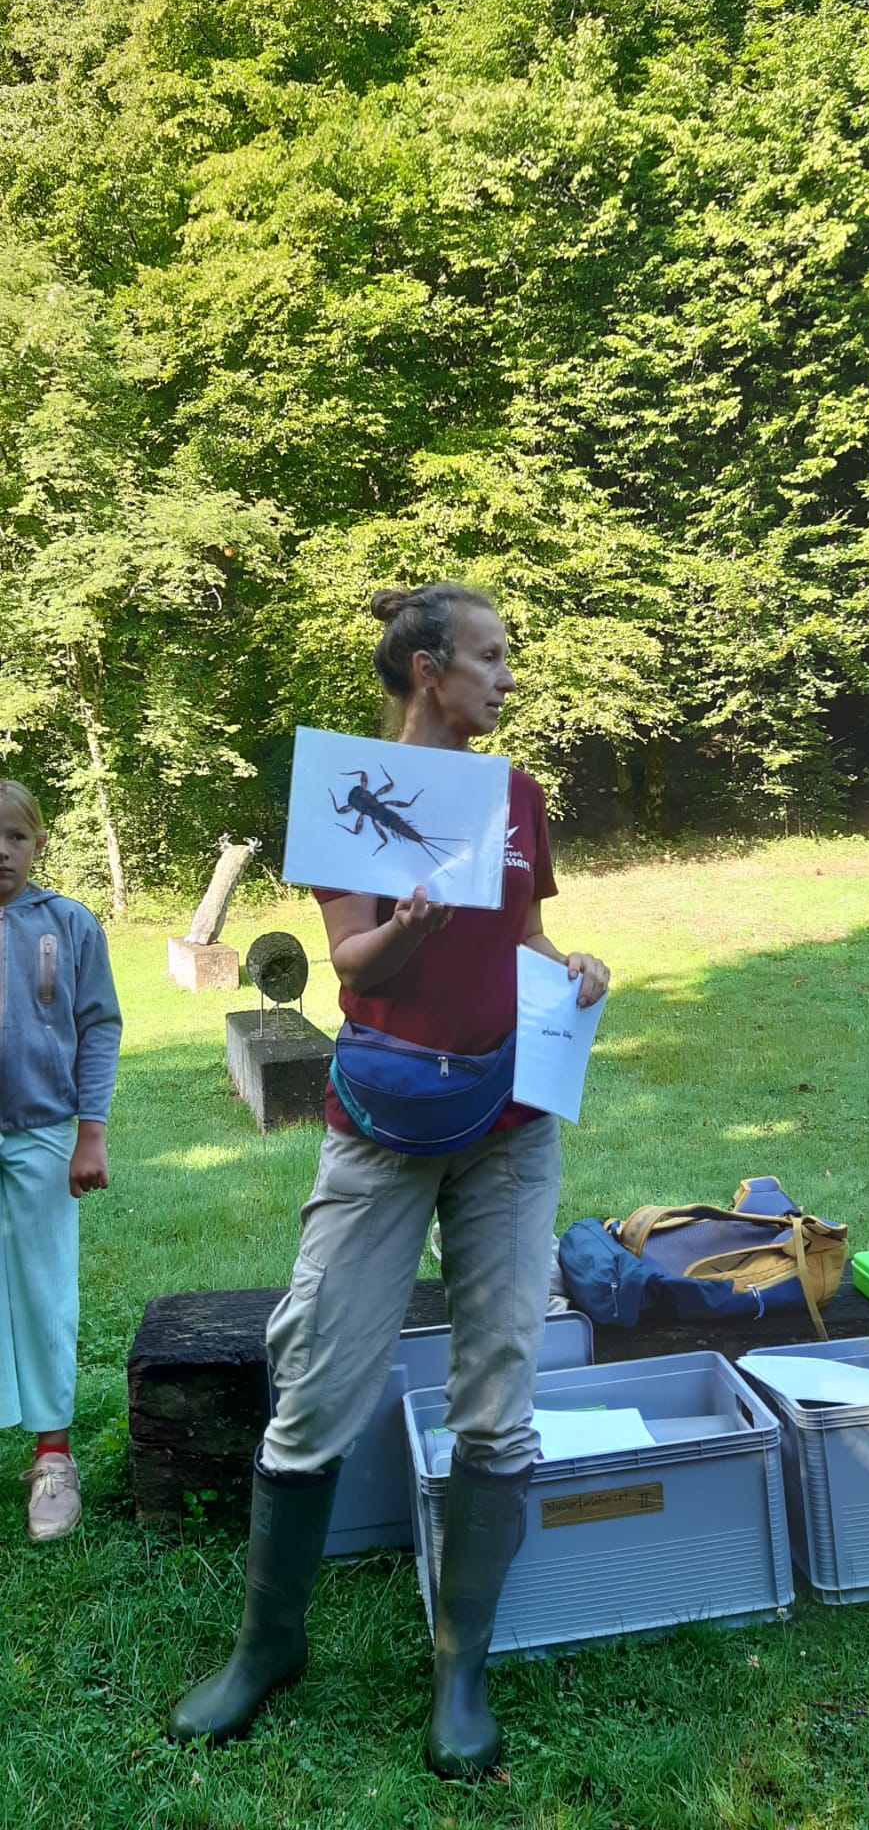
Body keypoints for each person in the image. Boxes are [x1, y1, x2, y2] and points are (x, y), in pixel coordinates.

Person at [169, 583, 609, 1772]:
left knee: (499, 1382)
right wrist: (410, 926)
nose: (507, 677)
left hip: (511, 1121)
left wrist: (573, 965)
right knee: (315, 1373)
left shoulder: (517, 794)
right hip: (382, 1123)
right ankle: (267, 1645)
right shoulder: (345, 788)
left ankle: (459, 1666)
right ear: (428, 669)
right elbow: (353, 959)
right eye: (490, 656)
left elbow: (522, 935)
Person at [0, 779, 122, 1540]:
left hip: (43, 1130)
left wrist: (91, 1131)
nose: (1, 852)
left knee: (45, 1293)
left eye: (14, 836)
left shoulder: (68, 924)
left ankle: (53, 1457)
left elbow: (98, 1024)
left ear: (39, 843)